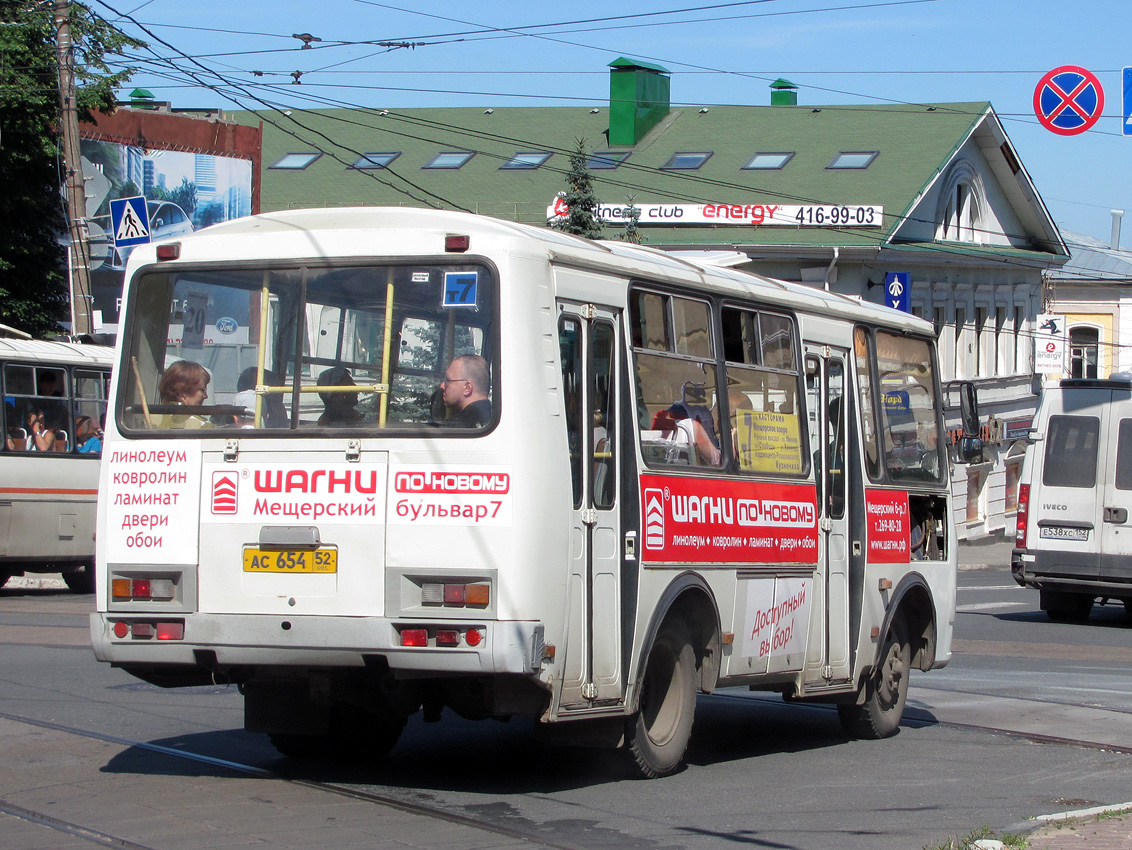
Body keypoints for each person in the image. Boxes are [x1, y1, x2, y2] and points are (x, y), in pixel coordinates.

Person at [155, 360, 212, 429]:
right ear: (183, 393)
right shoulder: (203, 426)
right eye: (203, 390)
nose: (205, 396)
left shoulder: (148, 419)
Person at [439, 354, 491, 427]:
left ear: (467, 388)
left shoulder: (459, 427)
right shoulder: (498, 419)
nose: (442, 386)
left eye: (448, 380)